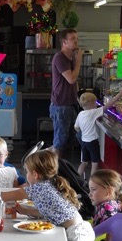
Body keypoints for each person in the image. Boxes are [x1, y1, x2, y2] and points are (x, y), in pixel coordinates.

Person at [0, 149, 94, 241]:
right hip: (80, 231)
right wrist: (24, 210)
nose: (26, 175)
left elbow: (2, 196)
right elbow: (46, 211)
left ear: (35, 175)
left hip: (76, 236)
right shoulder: (51, 184)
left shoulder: (38, 189)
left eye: (27, 172)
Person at [75, 86, 122, 181]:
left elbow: (76, 127)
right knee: (95, 163)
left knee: (84, 162)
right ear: (91, 104)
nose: (96, 104)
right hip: (92, 142)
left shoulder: (80, 114)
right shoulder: (93, 112)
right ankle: (91, 182)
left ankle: (76, 179)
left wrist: (84, 130)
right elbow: (108, 105)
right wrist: (120, 94)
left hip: (84, 142)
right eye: (95, 103)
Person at [49, 28, 83, 160]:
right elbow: (71, 79)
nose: (76, 41)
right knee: (60, 143)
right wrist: (79, 61)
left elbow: (74, 82)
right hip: (61, 106)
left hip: (71, 104)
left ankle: (57, 165)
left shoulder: (71, 58)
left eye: (77, 39)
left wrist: (78, 97)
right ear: (64, 42)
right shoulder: (60, 57)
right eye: (72, 39)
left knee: (68, 141)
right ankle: (52, 169)